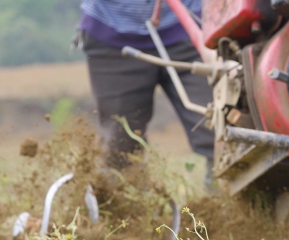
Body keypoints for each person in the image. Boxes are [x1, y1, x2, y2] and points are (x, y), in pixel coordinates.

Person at [75, 0, 215, 188]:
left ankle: (239, 206)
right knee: (120, 149)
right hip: (112, 34)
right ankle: (131, 213)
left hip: (192, 26)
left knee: (222, 130)